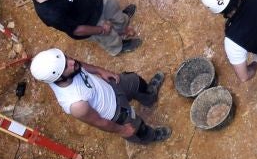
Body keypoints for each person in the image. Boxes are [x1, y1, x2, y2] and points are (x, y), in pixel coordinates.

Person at [29, 48, 170, 145]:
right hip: (114, 111)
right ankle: (151, 136)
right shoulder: (76, 104)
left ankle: (150, 98)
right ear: (58, 79)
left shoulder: (66, 67)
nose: (72, 61)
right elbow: (99, 122)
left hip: (110, 87)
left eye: (66, 57)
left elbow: (79, 65)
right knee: (137, 128)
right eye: (66, 66)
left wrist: (100, 70)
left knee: (135, 81)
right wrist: (122, 130)